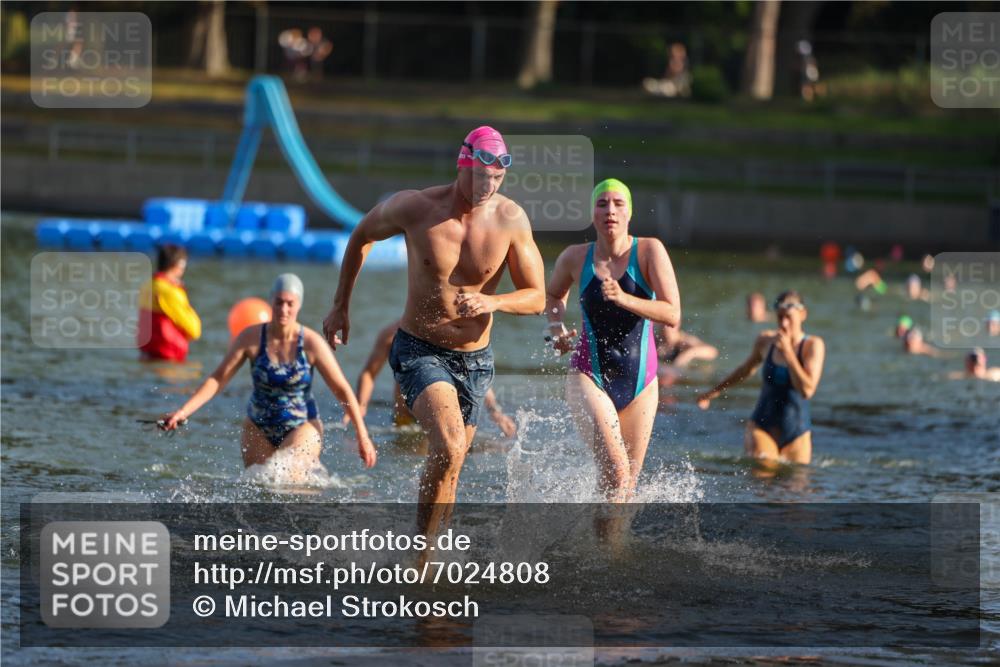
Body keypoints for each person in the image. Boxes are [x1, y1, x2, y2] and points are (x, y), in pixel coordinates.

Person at [322, 126, 545, 536]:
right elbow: (361, 236)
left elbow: (537, 296)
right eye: (481, 177)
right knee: (451, 445)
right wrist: (340, 305)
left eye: (497, 179)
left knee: (452, 465)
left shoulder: (510, 219)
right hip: (419, 349)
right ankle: (420, 560)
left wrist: (494, 301)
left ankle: (432, 548)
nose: (488, 187)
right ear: (462, 166)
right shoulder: (416, 207)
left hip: (476, 360)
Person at [162, 274, 376, 479]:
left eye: (290, 304)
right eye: (279, 302)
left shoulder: (311, 343)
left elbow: (341, 389)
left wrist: (362, 435)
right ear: (270, 302)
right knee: (261, 485)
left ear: (298, 305)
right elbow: (218, 379)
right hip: (258, 426)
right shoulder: (250, 338)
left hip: (302, 425)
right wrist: (183, 412)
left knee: (288, 481)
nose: (284, 309)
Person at [545, 179, 681, 501]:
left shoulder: (649, 251)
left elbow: (672, 313)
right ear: (592, 213)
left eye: (618, 204)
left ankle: (603, 551)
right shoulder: (575, 257)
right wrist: (555, 329)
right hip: (588, 375)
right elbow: (553, 295)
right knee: (616, 472)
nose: (610, 211)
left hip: (641, 382)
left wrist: (624, 299)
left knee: (623, 490)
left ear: (629, 212)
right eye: (602, 204)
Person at [697, 290, 826, 466]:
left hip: (797, 431)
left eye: (789, 317)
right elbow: (744, 370)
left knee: (797, 485)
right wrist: (714, 391)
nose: (784, 323)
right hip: (762, 426)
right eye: (780, 317)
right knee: (765, 470)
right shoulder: (765, 341)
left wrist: (788, 353)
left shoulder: (812, 345)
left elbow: (807, 390)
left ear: (803, 314)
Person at [348, 318, 517, 437]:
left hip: (448, 416)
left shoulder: (449, 332)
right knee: (408, 459)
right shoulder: (391, 334)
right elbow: (369, 373)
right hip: (406, 421)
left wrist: (496, 412)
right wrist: (360, 408)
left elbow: (472, 374)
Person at [138, 244, 202, 362]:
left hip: (147, 351)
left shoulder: (147, 285)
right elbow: (192, 327)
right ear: (176, 266)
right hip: (168, 353)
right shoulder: (169, 291)